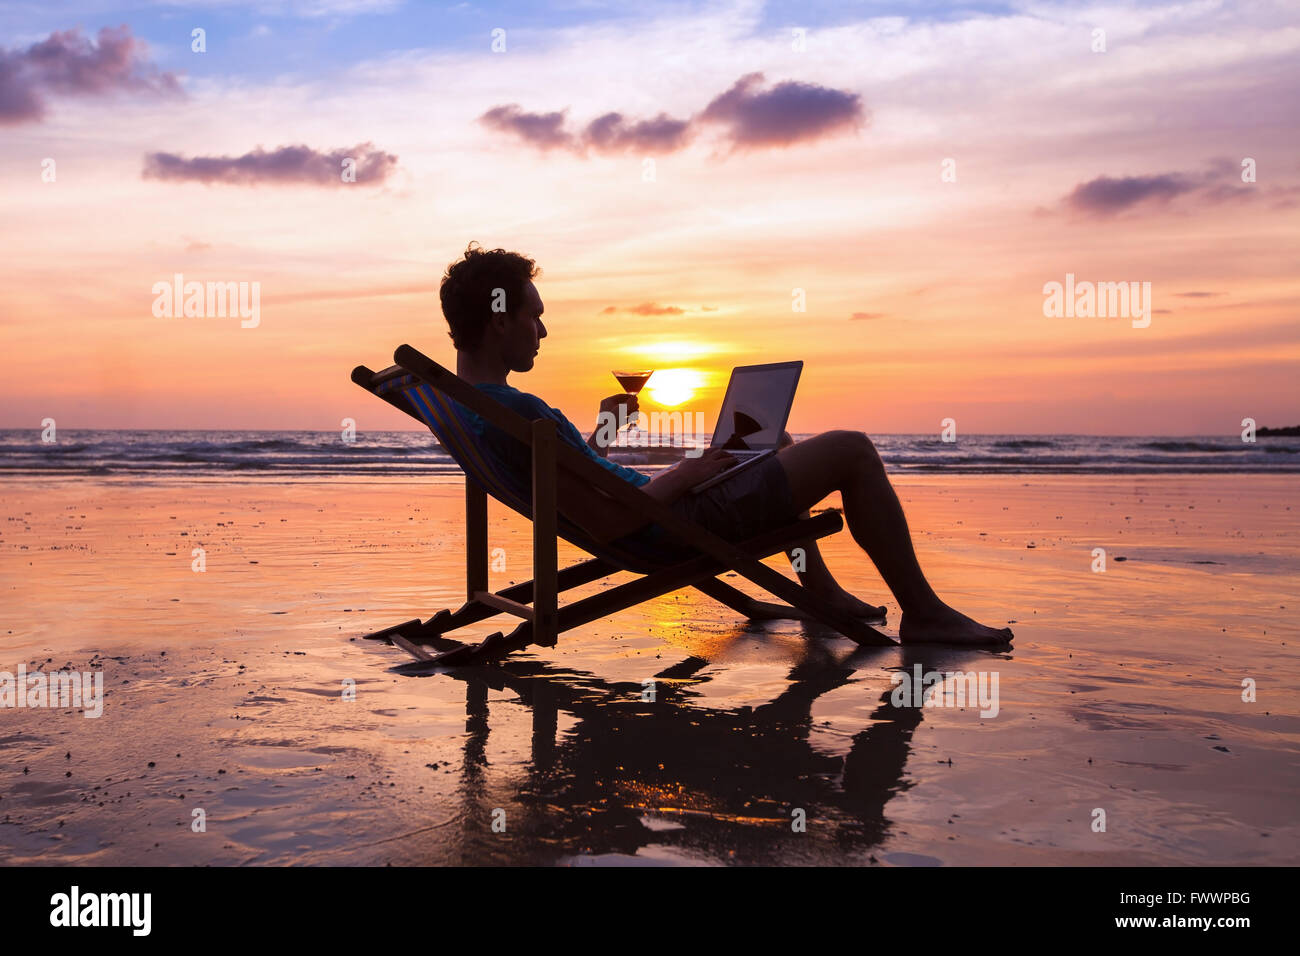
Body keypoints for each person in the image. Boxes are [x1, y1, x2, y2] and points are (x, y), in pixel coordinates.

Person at [438, 242, 1013, 646]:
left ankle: (825, 593)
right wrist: (693, 469)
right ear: (499, 321)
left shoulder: (473, 406)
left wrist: (606, 434)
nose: (543, 331)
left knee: (773, 439)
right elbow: (610, 523)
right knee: (852, 450)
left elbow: (575, 488)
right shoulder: (517, 409)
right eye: (535, 317)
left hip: (653, 510)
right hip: (668, 525)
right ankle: (924, 612)